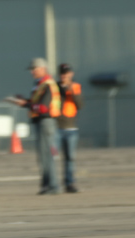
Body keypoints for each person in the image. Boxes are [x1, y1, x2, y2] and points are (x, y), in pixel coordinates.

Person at [11, 58, 61, 194]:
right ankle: (46, 185)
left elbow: (43, 107)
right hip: (41, 122)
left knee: (47, 155)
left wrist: (25, 104)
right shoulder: (39, 84)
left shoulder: (47, 84)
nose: (32, 72)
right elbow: (36, 103)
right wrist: (24, 101)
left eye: (34, 69)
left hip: (46, 121)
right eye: (31, 69)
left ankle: (53, 186)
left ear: (43, 69)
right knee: (43, 156)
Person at [57, 63, 83, 193]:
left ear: (71, 74)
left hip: (71, 128)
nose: (64, 75)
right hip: (56, 128)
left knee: (70, 158)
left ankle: (69, 183)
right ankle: (52, 184)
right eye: (62, 73)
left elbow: (80, 105)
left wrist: (71, 89)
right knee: (52, 157)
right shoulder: (54, 86)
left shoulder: (76, 87)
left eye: (66, 73)